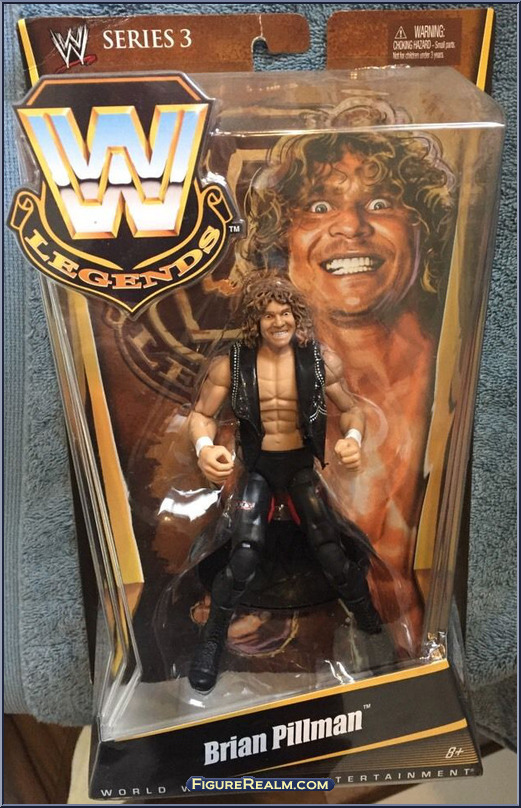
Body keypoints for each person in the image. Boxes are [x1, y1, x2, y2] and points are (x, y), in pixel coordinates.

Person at [237, 127, 457, 647]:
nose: (351, 225)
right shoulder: (256, 386)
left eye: (380, 203)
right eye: (318, 206)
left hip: (425, 655)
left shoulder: (453, 377)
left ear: (419, 228)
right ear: (282, 241)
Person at [187, 273, 383, 693]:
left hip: (300, 467)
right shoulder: (231, 364)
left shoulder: (320, 360)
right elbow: (201, 415)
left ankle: (372, 625)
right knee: (243, 554)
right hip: (258, 468)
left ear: (298, 315)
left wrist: (352, 439)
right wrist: (204, 448)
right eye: (268, 315)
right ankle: (212, 639)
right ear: (254, 321)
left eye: (285, 312)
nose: (279, 321)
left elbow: (352, 409)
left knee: (331, 550)